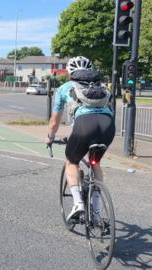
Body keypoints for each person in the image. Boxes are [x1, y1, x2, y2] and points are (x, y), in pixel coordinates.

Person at [45, 56, 115, 222]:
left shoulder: (65, 88)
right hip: (107, 127)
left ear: (70, 73)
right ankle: (97, 211)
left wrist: (50, 137)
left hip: (84, 126)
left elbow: (54, 121)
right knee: (95, 163)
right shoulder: (102, 86)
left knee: (71, 161)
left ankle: (78, 203)